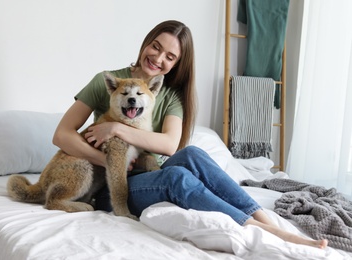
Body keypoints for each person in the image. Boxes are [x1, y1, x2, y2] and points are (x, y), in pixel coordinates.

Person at [53, 20, 328, 249]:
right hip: (113, 187)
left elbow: (170, 146)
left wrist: (115, 128)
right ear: (146, 43)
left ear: (176, 64)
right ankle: (256, 227)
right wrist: (107, 161)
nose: (158, 58)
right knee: (177, 177)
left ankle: (261, 218)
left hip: (149, 174)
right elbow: (62, 135)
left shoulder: (170, 95)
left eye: (169, 57)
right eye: (155, 47)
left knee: (193, 154)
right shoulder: (110, 80)